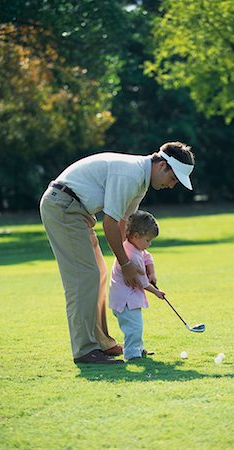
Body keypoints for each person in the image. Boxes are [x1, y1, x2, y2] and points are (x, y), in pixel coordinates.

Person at [39, 141, 195, 365]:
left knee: (99, 273)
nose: (172, 186)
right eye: (173, 179)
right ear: (162, 166)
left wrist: (133, 262)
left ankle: (101, 343)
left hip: (76, 211)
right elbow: (110, 223)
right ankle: (85, 350)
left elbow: (124, 224)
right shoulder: (131, 175)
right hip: (63, 207)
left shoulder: (141, 182)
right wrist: (125, 265)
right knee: (85, 277)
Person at [109, 210, 165, 360]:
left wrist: (152, 272)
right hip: (125, 300)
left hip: (128, 298)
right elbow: (142, 282)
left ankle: (138, 349)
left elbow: (147, 257)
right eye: (147, 240)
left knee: (136, 326)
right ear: (135, 236)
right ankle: (132, 354)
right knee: (133, 328)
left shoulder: (133, 246)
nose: (149, 244)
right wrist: (156, 292)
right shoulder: (131, 255)